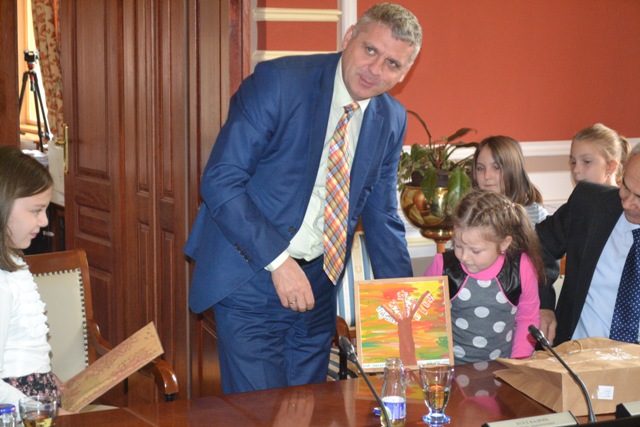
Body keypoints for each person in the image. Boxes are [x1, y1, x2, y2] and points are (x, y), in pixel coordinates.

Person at [184, 3, 421, 394]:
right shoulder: (280, 82)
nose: (375, 70)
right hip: (253, 276)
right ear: (349, 38)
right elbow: (221, 180)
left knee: (309, 410)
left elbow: (383, 216)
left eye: (392, 64)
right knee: (262, 413)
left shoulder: (391, 118)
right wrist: (279, 261)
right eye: (370, 50)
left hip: (320, 286)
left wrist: (407, 310)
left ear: (405, 72)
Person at [424, 190, 544, 364]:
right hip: (452, 367)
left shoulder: (521, 267)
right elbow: (426, 317)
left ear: (504, 243)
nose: (464, 257)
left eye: (475, 251)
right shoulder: (443, 266)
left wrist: (518, 363)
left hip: (503, 367)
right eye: (458, 245)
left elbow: (528, 318)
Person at [537, 144, 640, 346]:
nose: (627, 203)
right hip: (576, 354)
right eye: (626, 187)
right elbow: (538, 245)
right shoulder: (589, 203)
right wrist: (543, 304)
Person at [0, 146, 62, 413]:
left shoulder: (14, 264)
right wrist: (42, 410)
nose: (45, 221)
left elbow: (18, 350)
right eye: (36, 210)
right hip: (19, 410)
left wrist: (43, 375)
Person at [472, 135, 548, 225]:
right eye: (480, 168)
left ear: (513, 171)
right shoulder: (471, 214)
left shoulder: (536, 215)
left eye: (496, 167)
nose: (487, 176)